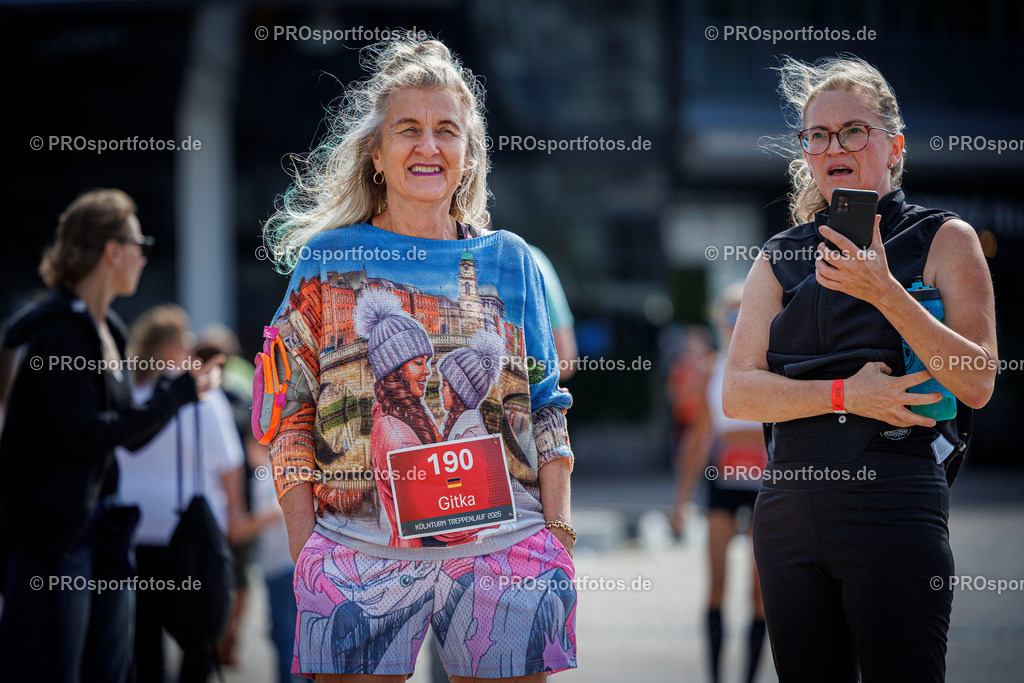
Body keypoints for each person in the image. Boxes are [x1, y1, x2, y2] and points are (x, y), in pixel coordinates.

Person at [260, 37, 577, 681]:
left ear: (467, 155)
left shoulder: (511, 260)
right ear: (377, 154)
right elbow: (284, 411)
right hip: (358, 555)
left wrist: (558, 535)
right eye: (409, 129)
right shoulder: (328, 260)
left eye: (446, 131)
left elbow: (546, 407)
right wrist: (307, 550)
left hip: (505, 549)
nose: (428, 147)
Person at [723, 56, 997, 682]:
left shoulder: (944, 239)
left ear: (894, 146)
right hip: (789, 514)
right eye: (817, 135)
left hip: (894, 506)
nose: (832, 146)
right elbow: (737, 392)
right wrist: (845, 393)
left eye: (853, 131)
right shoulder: (781, 255)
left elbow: (977, 379)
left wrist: (886, 292)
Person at [0, 189, 222, 683]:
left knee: (110, 671)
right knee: (53, 670)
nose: (144, 254)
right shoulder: (59, 331)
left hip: (100, 531)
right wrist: (175, 394)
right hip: (55, 541)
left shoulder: (110, 330)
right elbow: (85, 435)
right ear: (111, 250)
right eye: (137, 240)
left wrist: (180, 392)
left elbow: (128, 435)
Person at [115, 305, 245, 682]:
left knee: (144, 635)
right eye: (186, 342)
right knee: (199, 630)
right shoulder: (200, 392)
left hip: (134, 528)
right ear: (171, 348)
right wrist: (234, 514)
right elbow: (230, 462)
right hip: (189, 529)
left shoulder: (129, 392)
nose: (191, 349)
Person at [672, 283, 766, 683]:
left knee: (761, 597)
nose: (735, 321)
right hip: (722, 482)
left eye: (743, 312)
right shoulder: (711, 369)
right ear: (718, 322)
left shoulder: (772, 365)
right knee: (716, 585)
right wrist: (680, 500)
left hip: (766, 484)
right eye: (728, 315)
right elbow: (697, 439)